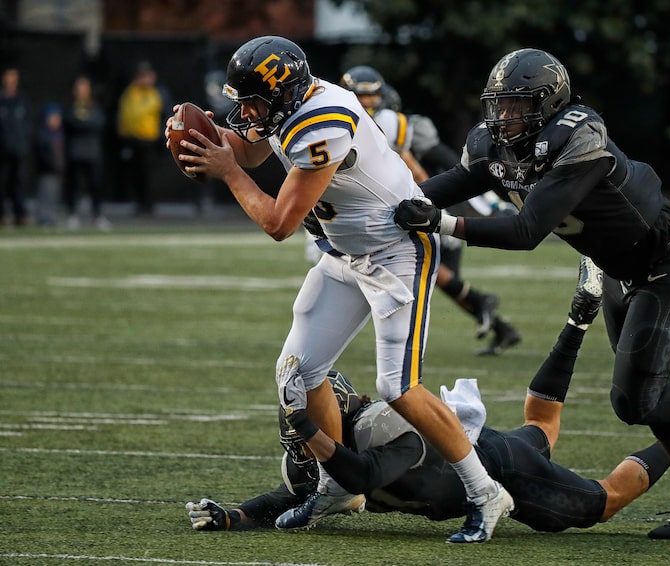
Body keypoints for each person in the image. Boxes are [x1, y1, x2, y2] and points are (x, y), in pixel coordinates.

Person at [393, 48, 670, 539]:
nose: (505, 117)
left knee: (637, 399)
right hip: (618, 266)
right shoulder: (496, 144)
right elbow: (455, 181)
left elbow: (527, 230)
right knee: (643, 396)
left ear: (551, 102)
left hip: (668, 256)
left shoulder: (578, 136)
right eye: (500, 105)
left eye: (518, 106)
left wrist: (443, 224)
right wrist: (399, 203)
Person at [166, 36, 512, 544]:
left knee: (399, 387)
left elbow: (280, 222)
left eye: (252, 100)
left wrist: (229, 172)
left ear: (283, 94)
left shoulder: (323, 120)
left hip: (398, 250)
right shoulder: (289, 106)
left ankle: (486, 494)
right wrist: (205, 136)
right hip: (347, 253)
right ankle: (337, 486)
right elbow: (247, 143)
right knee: (300, 371)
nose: (244, 111)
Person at [185, 265, 670, 537]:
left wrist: (313, 433)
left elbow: (358, 476)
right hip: (478, 457)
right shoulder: (325, 450)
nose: (301, 441)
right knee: (542, 426)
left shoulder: (384, 426)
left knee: (596, 505)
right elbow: (293, 493)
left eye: (309, 422)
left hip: (497, 467)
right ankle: (577, 319)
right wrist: (232, 516)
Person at [340, 66, 521, 355]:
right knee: (436, 275)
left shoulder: (398, 124)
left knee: (429, 272)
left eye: (372, 96)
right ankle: (499, 325)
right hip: (409, 205)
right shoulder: (348, 124)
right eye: (363, 97)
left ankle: (483, 306)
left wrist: (427, 200)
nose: (368, 103)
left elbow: (451, 167)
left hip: (424, 205)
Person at [117, 61, 163, 216]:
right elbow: (125, 115)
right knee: (136, 174)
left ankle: (150, 203)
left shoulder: (157, 93)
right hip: (133, 139)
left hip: (150, 140)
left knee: (149, 174)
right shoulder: (130, 93)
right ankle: (139, 203)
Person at [64, 75, 110, 231]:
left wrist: (83, 123)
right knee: (75, 185)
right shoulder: (71, 107)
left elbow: (98, 123)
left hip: (92, 152)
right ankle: (73, 214)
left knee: (95, 185)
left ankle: (97, 215)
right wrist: (83, 123)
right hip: (75, 152)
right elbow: (70, 122)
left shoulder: (94, 106)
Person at [0, 66, 30, 227]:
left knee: (18, 184)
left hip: (19, 150)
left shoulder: (22, 100)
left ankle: (21, 215)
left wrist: (23, 144)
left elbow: (26, 126)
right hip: (2, 151)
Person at [33, 104, 65, 228]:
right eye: (52, 117)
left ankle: (51, 218)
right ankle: (43, 218)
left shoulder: (60, 134)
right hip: (47, 171)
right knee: (45, 194)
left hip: (57, 171)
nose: (55, 120)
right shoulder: (43, 134)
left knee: (54, 195)